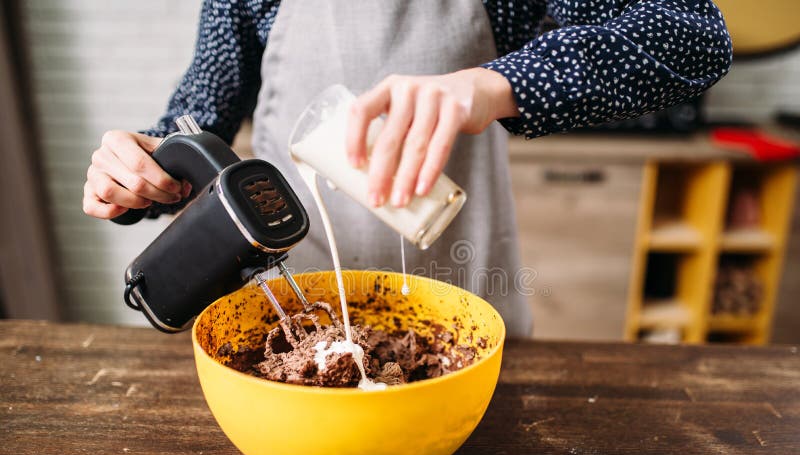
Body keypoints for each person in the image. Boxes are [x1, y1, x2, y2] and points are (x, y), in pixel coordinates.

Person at [82, 1, 732, 337]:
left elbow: (690, 34)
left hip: (464, 307)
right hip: (290, 316)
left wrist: (491, 85)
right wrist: (141, 169)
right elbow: (198, 122)